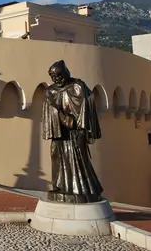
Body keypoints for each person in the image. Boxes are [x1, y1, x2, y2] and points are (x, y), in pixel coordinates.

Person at [42, 60, 104, 203]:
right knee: (55, 153)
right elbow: (50, 114)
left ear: (65, 73)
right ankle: (60, 186)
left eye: (58, 75)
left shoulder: (78, 87)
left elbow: (85, 106)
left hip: (76, 131)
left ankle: (83, 189)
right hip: (60, 134)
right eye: (52, 76)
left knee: (79, 157)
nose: (56, 79)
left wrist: (80, 126)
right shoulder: (50, 91)